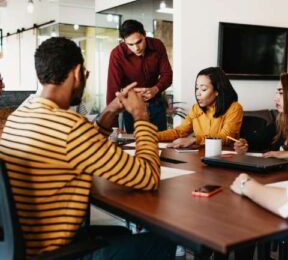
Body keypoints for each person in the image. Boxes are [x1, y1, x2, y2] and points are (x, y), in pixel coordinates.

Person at [0, 37, 176, 259]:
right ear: (77, 73)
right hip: (55, 252)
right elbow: (147, 176)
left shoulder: (19, 115)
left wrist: (109, 111)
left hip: (24, 245)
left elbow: (80, 146)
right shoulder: (70, 127)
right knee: (163, 241)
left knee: (121, 233)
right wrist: (141, 117)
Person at [232, 71, 288, 217]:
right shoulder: (280, 123)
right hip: (276, 191)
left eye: (281, 93)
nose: (275, 98)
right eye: (277, 92)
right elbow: (254, 141)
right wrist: (244, 144)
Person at [106, 19, 173, 133]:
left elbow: (167, 75)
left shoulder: (157, 45)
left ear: (145, 34)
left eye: (139, 42)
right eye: (130, 44)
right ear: (124, 41)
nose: (136, 48)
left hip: (156, 102)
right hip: (132, 107)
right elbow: (113, 90)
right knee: (136, 145)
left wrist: (155, 89)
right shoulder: (117, 54)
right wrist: (114, 128)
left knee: (161, 142)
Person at [157, 67, 243, 148]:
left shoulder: (234, 108)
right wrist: (152, 136)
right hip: (199, 156)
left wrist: (194, 139)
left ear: (217, 91)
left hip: (224, 157)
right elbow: (180, 132)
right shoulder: (196, 108)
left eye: (203, 89)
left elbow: (225, 137)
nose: (198, 93)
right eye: (197, 88)